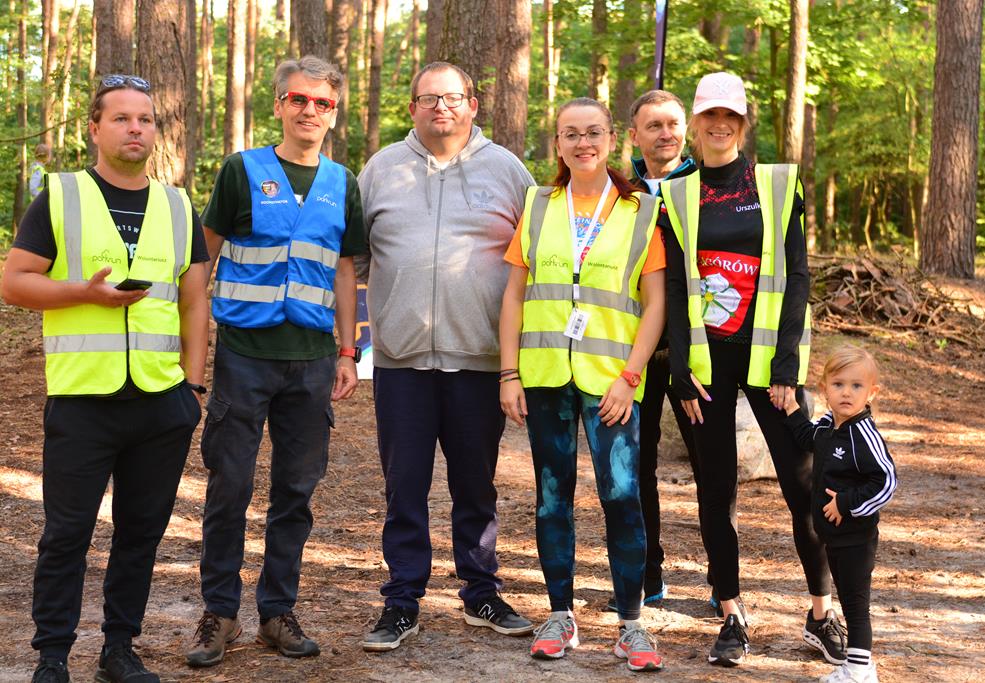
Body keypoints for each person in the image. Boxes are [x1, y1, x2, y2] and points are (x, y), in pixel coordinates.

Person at [1, 74, 209, 683]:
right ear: (95, 129)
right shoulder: (61, 196)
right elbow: (14, 282)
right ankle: (53, 656)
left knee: (140, 534)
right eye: (121, 118)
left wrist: (192, 386)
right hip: (82, 400)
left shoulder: (177, 205)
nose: (135, 128)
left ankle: (120, 649)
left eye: (144, 119)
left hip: (160, 401)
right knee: (67, 533)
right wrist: (81, 295)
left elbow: (195, 300)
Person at [186, 55, 363, 667]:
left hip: (312, 362)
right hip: (244, 356)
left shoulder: (344, 182)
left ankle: (276, 612)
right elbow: (200, 260)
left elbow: (345, 270)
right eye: (298, 99)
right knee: (229, 485)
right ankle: (219, 612)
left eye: (322, 103)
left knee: (295, 490)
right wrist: (196, 345)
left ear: (333, 113)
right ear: (280, 105)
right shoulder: (243, 171)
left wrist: (348, 350)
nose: (309, 110)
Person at [661, 71, 843, 667]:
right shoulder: (675, 194)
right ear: (695, 121)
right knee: (717, 492)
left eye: (730, 117)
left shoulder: (777, 183)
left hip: (771, 365)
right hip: (704, 366)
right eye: (709, 115)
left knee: (804, 487)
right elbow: (671, 290)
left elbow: (797, 276)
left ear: (743, 122)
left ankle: (821, 611)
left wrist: (789, 362)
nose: (719, 126)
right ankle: (732, 614)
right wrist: (681, 366)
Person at [357, 61, 535, 652]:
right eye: (428, 98)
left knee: (475, 487)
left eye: (453, 98)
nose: (441, 108)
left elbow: (536, 266)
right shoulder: (380, 170)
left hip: (480, 361)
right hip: (401, 361)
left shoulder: (508, 171)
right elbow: (349, 262)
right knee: (403, 487)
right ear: (412, 107)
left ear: (473, 104)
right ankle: (402, 600)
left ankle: (480, 592)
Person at [499, 97, 666, 672]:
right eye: (570, 134)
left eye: (592, 133)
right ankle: (560, 613)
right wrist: (508, 372)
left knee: (622, 497)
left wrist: (630, 377)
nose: (582, 143)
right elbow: (515, 295)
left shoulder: (639, 209)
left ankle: (631, 624)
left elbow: (656, 305)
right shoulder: (538, 204)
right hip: (546, 377)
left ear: (611, 137)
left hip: (612, 383)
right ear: (558, 143)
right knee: (552, 499)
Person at [610, 88, 735, 615]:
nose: (666, 134)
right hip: (630, 350)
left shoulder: (707, 185)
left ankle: (721, 577)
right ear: (634, 135)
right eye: (653, 125)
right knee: (634, 468)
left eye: (674, 124)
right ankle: (647, 571)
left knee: (713, 465)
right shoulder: (616, 189)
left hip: (696, 350)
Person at [784, 346, 897, 683]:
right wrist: (791, 409)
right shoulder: (829, 425)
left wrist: (846, 503)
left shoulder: (864, 435)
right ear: (825, 389)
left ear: (871, 392)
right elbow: (809, 439)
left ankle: (860, 672)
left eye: (856, 386)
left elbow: (887, 480)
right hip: (835, 539)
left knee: (855, 605)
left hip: (856, 539)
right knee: (849, 600)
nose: (846, 393)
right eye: (838, 385)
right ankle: (857, 666)